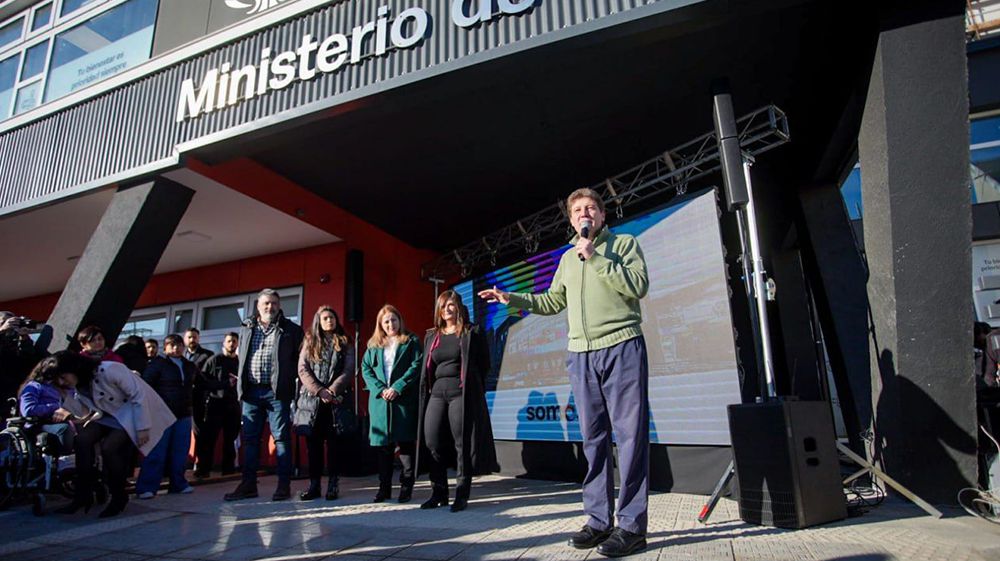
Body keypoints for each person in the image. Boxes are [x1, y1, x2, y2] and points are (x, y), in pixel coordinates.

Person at [478, 187, 650, 557]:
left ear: (602, 216)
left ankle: (633, 527)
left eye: (590, 208)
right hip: (581, 355)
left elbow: (638, 286)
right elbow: (553, 300)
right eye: (577, 210)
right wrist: (514, 299)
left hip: (621, 346)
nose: (584, 214)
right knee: (593, 440)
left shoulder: (623, 246)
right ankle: (599, 521)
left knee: (631, 437)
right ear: (571, 220)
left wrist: (596, 257)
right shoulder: (568, 259)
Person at [51, 352, 175, 517]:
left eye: (63, 376)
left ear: (74, 368)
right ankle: (82, 496)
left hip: (130, 415)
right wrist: (66, 406)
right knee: (82, 441)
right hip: (106, 416)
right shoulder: (77, 385)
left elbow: (138, 395)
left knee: (110, 448)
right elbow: (84, 411)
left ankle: (118, 497)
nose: (62, 381)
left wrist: (142, 427)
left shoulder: (110, 369)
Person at [417, 291, 498, 512]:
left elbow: (484, 365)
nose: (447, 310)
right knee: (432, 441)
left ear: (459, 307)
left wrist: (470, 387)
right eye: (443, 306)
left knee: (461, 444)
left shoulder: (472, 332)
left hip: (460, 394)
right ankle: (439, 492)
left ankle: (461, 494)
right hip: (436, 393)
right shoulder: (432, 336)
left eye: (451, 305)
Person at [225, 288, 304, 502]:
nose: (270, 307)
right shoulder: (246, 327)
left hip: (277, 393)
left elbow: (300, 362)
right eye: (266, 304)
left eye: (274, 304)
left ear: (280, 306)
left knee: (281, 439)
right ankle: (248, 485)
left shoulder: (291, 330)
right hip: (251, 392)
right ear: (258, 307)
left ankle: (283, 486)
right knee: (250, 440)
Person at [361, 305, 421, 503]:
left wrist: (398, 386)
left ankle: (406, 487)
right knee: (383, 449)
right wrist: (380, 389)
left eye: (393, 320)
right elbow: (366, 369)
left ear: (400, 320)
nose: (390, 324)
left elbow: (416, 365)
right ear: (381, 324)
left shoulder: (411, 341)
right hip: (380, 402)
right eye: (386, 321)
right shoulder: (374, 345)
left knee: (405, 446)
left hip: (402, 400)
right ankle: (384, 488)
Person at [294, 306, 355, 501]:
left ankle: (333, 485)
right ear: (318, 321)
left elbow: (349, 369)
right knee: (314, 445)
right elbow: (302, 369)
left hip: (336, 402)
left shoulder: (345, 341)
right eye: (325, 318)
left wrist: (331, 391)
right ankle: (314, 485)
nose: (329, 321)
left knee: (335, 445)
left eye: (332, 317)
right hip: (312, 403)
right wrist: (319, 390)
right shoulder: (310, 341)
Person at [136, 334, 204, 498]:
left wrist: (226, 383)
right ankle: (147, 487)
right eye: (172, 345)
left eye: (179, 345)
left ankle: (178, 484)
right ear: (165, 347)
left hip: (183, 414)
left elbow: (203, 383)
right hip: (162, 414)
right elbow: (145, 386)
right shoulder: (157, 364)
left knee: (180, 452)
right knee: (156, 452)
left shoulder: (189, 365)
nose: (176, 348)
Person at [194, 332, 241, 478]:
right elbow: (203, 382)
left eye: (234, 341)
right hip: (215, 404)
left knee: (230, 439)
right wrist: (225, 384)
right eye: (229, 341)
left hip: (233, 405)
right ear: (223, 343)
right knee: (209, 439)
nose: (231, 344)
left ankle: (228, 470)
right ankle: (203, 470)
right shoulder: (214, 360)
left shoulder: (240, 362)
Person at [0, 312, 47, 418]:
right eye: (4, 322)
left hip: (16, 395)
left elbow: (30, 363)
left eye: (14, 323)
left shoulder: (16, 343)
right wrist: (2, 331)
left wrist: (24, 338)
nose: (10, 326)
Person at [183, 327, 214, 476]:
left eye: (194, 337)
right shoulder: (181, 356)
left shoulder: (207, 356)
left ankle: (202, 467)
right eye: (189, 337)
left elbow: (209, 379)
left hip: (199, 400)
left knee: (200, 434)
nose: (192, 340)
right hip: (182, 401)